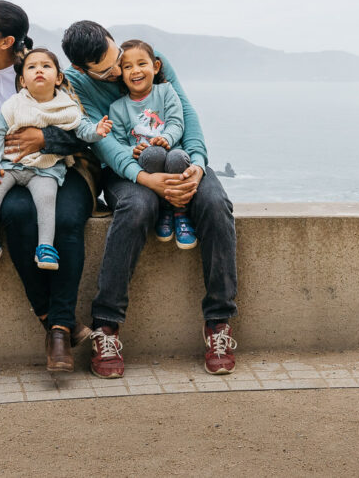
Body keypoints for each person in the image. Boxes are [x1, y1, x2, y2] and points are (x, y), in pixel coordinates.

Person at [40, 21, 238, 378]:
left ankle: (218, 323)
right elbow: (103, 142)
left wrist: (197, 163)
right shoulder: (75, 85)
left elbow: (185, 112)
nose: (121, 71)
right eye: (109, 71)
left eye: (118, 57)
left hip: (177, 156)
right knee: (137, 207)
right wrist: (145, 179)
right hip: (125, 169)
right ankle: (106, 326)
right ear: (84, 69)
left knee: (214, 204)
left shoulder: (148, 58)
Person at [0, 1, 101, 372]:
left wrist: (45, 138)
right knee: (16, 213)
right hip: (7, 171)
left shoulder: (41, 67)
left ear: (6, 40)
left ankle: (58, 331)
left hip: (63, 167)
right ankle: (55, 321)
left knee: (67, 219)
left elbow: (82, 133)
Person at [0, 48, 110, 275]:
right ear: (22, 80)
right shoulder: (14, 104)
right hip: (10, 165)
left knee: (47, 198)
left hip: (45, 167)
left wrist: (97, 131)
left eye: (46, 66)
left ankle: (45, 247)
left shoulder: (67, 106)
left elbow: (82, 131)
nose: (39, 70)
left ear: (59, 78)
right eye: (32, 67)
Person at [107, 39, 197, 249]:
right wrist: (133, 150)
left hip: (173, 155)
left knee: (176, 156)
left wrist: (166, 138)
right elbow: (119, 142)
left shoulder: (166, 91)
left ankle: (180, 212)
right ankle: (165, 209)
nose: (135, 70)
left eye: (142, 64)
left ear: (155, 66)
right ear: (120, 73)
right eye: (127, 66)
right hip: (147, 161)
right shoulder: (117, 108)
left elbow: (176, 122)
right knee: (152, 154)